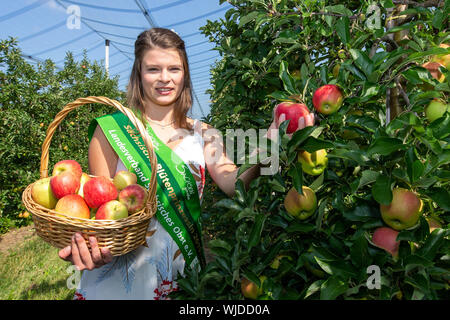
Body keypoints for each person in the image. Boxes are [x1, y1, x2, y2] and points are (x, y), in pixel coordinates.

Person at [58, 27, 315, 300]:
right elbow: (100, 213)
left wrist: (270, 145)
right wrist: (85, 247)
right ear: (138, 74)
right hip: (117, 279)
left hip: (180, 275)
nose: (165, 79)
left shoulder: (206, 134)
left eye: (174, 69)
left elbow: (234, 183)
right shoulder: (112, 131)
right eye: (153, 69)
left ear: (185, 74)